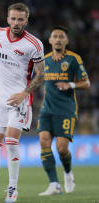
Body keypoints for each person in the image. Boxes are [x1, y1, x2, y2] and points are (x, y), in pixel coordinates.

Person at [0, 3, 45, 203]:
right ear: (7, 19)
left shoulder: (34, 44)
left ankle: (12, 189)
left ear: (26, 21)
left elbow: (41, 75)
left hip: (19, 100)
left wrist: (24, 93)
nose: (16, 22)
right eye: (13, 18)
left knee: (11, 142)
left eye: (20, 19)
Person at [37, 26, 90, 196]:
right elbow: (37, 81)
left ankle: (68, 173)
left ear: (66, 41)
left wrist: (71, 84)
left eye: (62, 37)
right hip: (47, 109)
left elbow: (86, 83)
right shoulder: (44, 60)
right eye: (55, 36)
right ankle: (54, 184)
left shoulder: (74, 59)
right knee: (44, 141)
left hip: (66, 110)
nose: (58, 39)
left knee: (61, 149)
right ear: (50, 40)